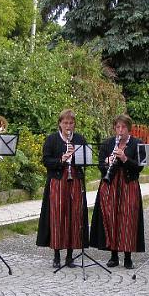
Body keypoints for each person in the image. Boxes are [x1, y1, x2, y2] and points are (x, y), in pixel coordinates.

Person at [90, 114, 145, 269]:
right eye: (118, 127)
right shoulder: (108, 143)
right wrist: (107, 163)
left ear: (129, 128)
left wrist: (125, 159)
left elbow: (140, 167)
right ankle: (113, 255)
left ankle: (128, 257)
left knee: (128, 219)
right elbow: (100, 165)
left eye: (123, 127)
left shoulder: (136, 144)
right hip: (110, 184)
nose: (120, 130)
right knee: (111, 217)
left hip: (129, 185)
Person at [36, 109, 88, 268]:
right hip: (58, 181)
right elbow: (46, 160)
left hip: (75, 180)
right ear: (60, 123)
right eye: (65, 123)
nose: (68, 126)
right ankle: (57, 255)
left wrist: (77, 158)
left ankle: (70, 256)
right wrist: (62, 159)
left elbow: (86, 160)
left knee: (74, 216)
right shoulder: (52, 139)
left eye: (71, 123)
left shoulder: (79, 139)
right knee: (58, 216)